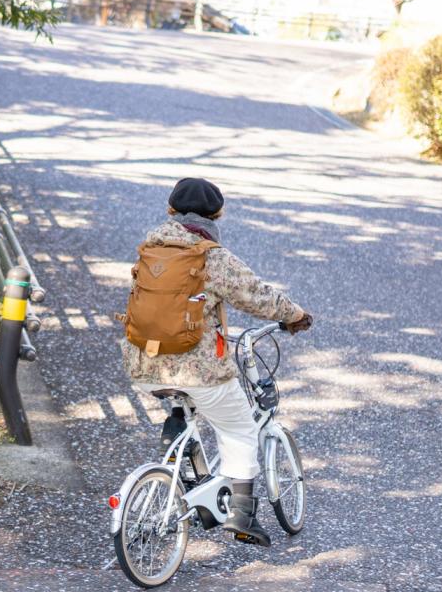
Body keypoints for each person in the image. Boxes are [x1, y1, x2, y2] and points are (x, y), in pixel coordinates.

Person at [121, 176, 312, 545]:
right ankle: (241, 515)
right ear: (217, 214)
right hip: (198, 370)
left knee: (185, 404)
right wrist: (295, 315)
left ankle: (185, 466)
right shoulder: (209, 255)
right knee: (238, 428)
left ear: (170, 211)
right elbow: (256, 295)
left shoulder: (149, 248)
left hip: (143, 364)